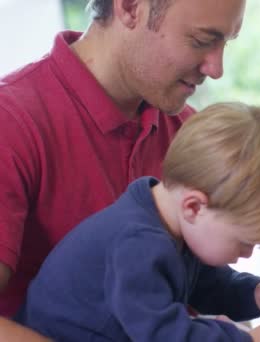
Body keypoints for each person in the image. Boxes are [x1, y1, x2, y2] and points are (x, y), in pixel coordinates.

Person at [0, 0, 246, 319]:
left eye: (225, 42)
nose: (217, 68)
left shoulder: (190, 134)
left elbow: (206, 287)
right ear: (130, 8)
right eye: (202, 41)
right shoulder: (13, 124)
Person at [15, 102, 260, 342]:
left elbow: (210, 284)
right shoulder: (137, 243)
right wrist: (248, 340)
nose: (248, 253)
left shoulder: (173, 225)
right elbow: (162, 334)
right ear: (195, 207)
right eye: (244, 241)